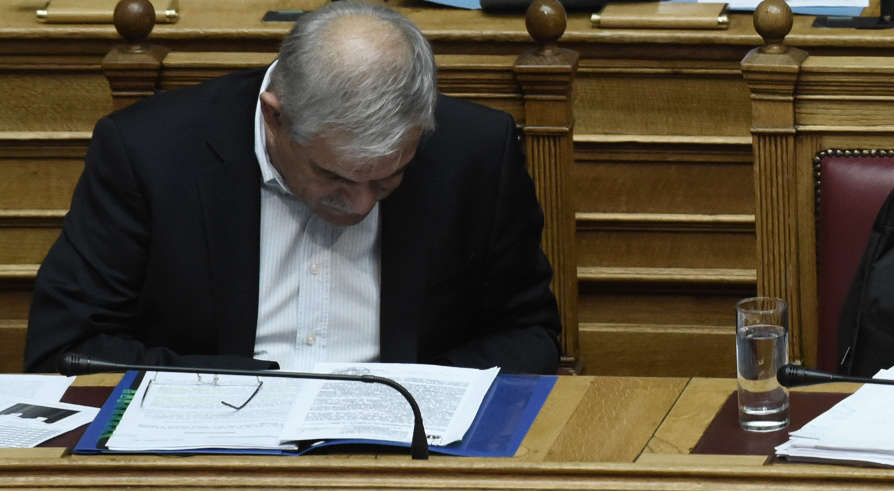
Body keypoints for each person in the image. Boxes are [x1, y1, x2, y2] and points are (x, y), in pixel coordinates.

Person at [24, 1, 561, 374]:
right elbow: (66, 347)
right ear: (275, 118)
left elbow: (530, 335)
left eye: (387, 178)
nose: (360, 204)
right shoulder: (148, 152)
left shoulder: (475, 151)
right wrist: (245, 388)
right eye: (334, 176)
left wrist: (419, 388)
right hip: (207, 449)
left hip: (407, 450)